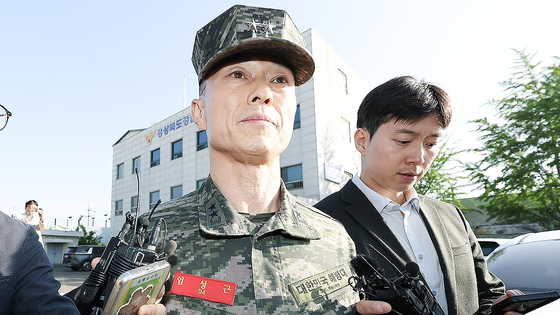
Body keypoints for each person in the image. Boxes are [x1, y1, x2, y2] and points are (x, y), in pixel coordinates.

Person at [144, 4, 388, 315]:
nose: (263, 92)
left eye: (280, 80)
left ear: (293, 111)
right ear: (199, 112)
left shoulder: (335, 237)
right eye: (238, 74)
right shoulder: (150, 237)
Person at [314, 76, 522, 315]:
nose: (419, 157)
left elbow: (486, 292)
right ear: (362, 141)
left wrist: (501, 308)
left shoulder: (451, 215)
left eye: (431, 144)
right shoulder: (321, 222)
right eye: (403, 141)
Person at [0, 106, 80, 315]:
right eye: (31, 207)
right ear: (26, 206)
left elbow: (46, 304)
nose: (33, 209)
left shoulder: (18, 236)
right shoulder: (17, 224)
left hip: (29, 251)